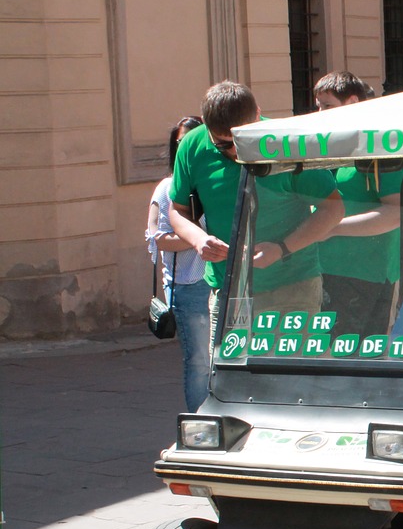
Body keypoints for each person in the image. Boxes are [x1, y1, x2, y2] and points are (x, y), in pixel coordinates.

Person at [170, 81, 344, 351]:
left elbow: (333, 209)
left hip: (291, 289)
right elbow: (177, 210)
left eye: (245, 139)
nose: (237, 152)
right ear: (205, 124)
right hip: (229, 291)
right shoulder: (192, 146)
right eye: (224, 145)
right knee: (228, 382)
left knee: (290, 384)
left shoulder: (289, 144)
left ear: (258, 115)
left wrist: (282, 248)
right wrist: (198, 240)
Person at [314, 72, 403, 334]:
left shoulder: (379, 143)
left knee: (355, 358)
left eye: (326, 105)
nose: (318, 112)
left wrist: (332, 226)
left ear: (352, 102)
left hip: (364, 272)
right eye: (318, 105)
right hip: (332, 268)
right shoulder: (330, 142)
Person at [146, 116, 209, 411]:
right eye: (181, 142)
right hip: (188, 284)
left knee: (224, 360)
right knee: (199, 361)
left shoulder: (213, 181)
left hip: (219, 280)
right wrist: (199, 238)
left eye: (193, 140)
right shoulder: (167, 187)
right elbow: (158, 239)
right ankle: (200, 424)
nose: (187, 147)